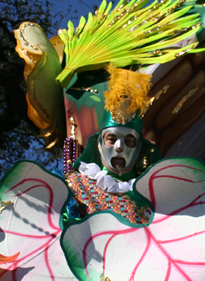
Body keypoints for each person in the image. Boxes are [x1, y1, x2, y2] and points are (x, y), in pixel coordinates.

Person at [64, 65, 160, 225]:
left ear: (138, 149)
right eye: (111, 139)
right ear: (99, 145)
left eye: (129, 141)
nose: (119, 147)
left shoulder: (155, 196)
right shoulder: (75, 187)